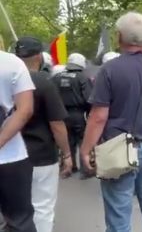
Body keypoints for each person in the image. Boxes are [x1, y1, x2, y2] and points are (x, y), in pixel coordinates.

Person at [80, 12, 142, 232]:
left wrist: (86, 150)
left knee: (118, 217)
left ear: (119, 36)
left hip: (118, 150)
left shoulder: (109, 70)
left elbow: (98, 117)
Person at [15, 37, 73, 232]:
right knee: (43, 208)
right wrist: (66, 153)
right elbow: (57, 123)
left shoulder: (6, 80)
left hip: (10, 155)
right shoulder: (44, 83)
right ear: (39, 56)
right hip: (41, 155)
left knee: (14, 210)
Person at [0, 51, 36, 232]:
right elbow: (25, 109)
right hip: (11, 157)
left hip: (12, 158)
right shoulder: (11, 62)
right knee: (19, 221)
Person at [52, 53, 92, 179]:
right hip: (79, 114)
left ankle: (70, 166)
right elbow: (89, 98)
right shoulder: (82, 78)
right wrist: (90, 113)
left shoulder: (56, 77)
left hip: (62, 114)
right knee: (82, 141)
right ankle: (86, 170)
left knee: (68, 140)